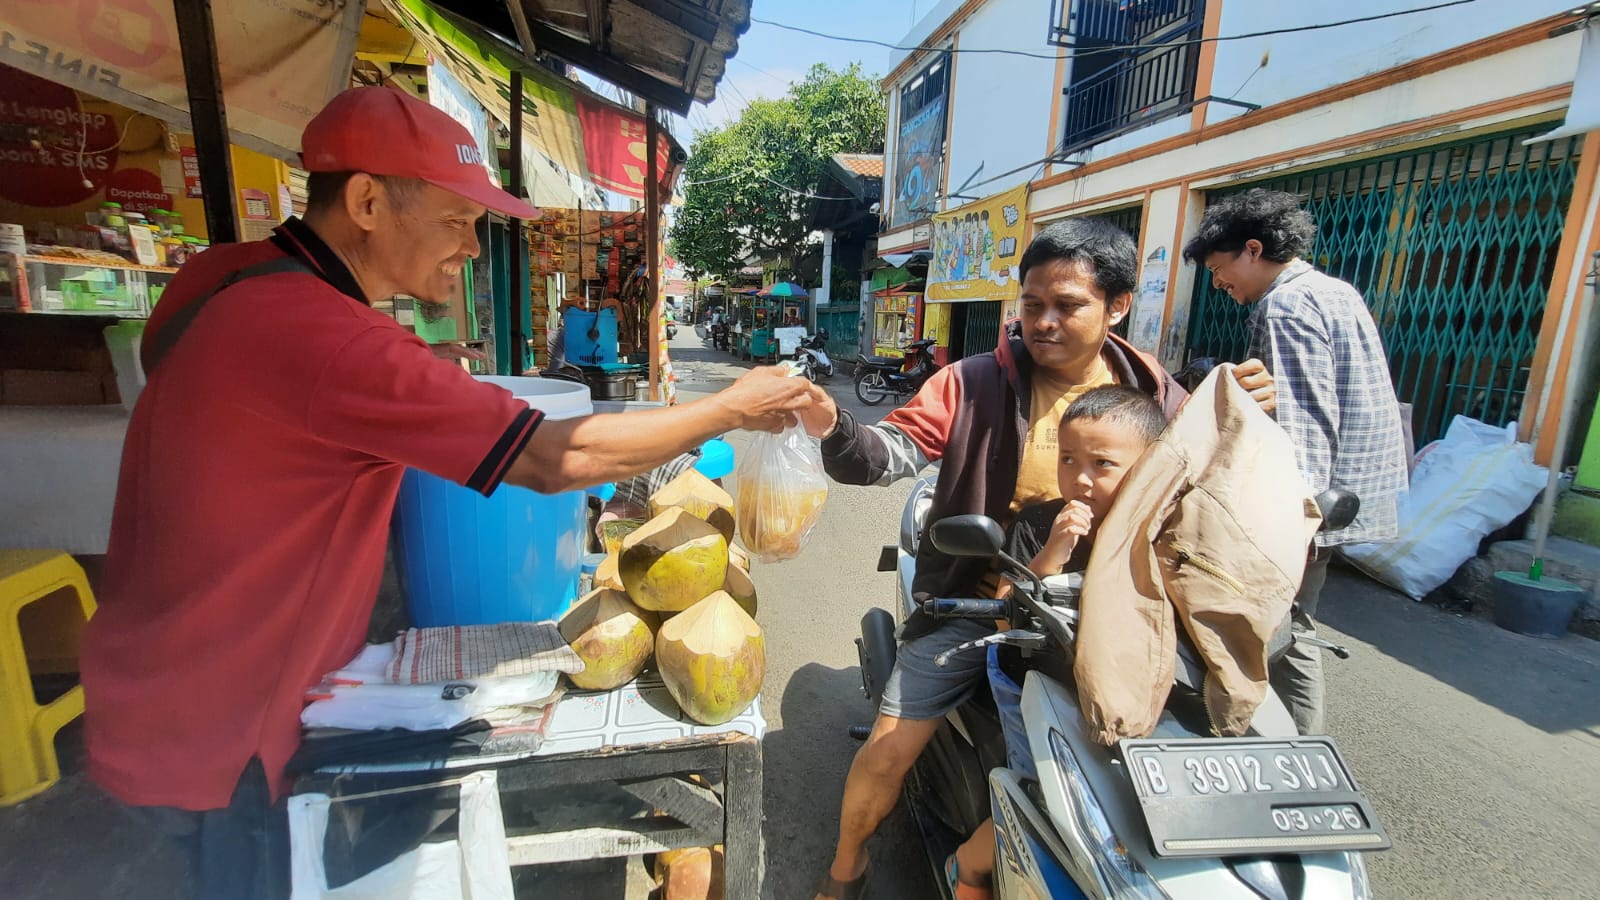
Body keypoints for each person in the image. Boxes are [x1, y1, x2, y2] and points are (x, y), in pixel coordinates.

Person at [79, 86, 821, 900]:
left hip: (146, 693)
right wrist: (731, 406)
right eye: (455, 220)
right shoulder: (325, 335)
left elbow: (234, 389)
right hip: (224, 738)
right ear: (366, 200)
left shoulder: (229, 280)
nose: (472, 247)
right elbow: (549, 458)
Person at [799, 218, 1278, 900]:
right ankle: (846, 864)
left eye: (1067, 305)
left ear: (1116, 307)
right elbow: (884, 457)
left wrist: (1243, 415)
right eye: (1031, 304)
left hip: (1113, 608)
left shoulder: (1159, 395)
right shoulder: (970, 383)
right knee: (888, 749)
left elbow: (1206, 490)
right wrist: (830, 425)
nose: (1043, 321)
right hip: (979, 599)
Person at [1183, 188, 1408, 735]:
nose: (1218, 283)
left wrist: (1294, 518)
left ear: (1253, 250)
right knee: (1294, 627)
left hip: (1309, 504)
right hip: (1346, 492)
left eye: (1219, 268)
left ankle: (1296, 752)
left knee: (1277, 630)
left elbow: (1305, 418)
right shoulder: (1334, 290)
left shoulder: (1284, 305)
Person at [947, 384, 1167, 898]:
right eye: (1069, 460)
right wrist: (1054, 553)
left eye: (1103, 464)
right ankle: (971, 865)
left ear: (1151, 465)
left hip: (1122, 676)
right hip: (1033, 671)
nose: (1081, 479)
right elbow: (1006, 614)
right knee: (1044, 792)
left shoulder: (1161, 525)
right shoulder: (1039, 523)